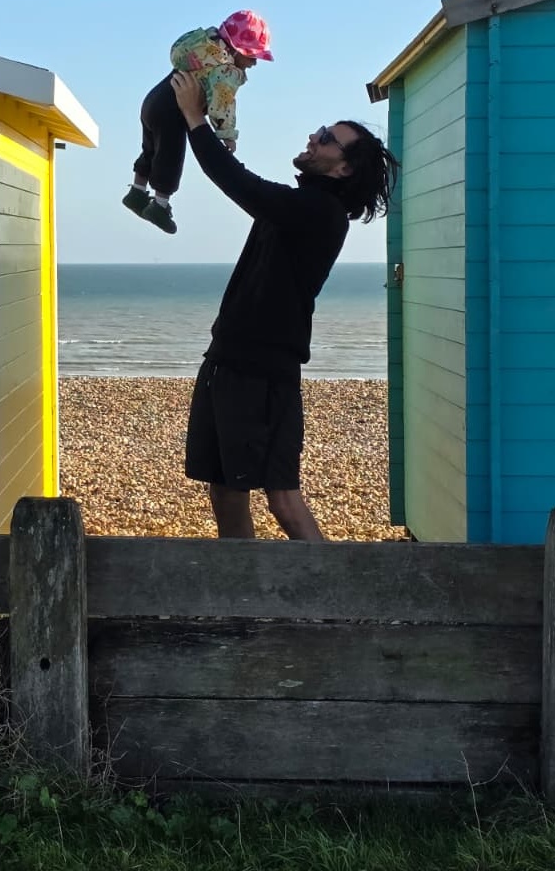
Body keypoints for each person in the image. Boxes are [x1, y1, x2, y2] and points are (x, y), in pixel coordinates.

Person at [168, 67, 400, 540]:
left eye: (327, 139)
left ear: (343, 169)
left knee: (282, 497)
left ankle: (335, 605)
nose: (313, 139)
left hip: (260, 370)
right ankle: (245, 594)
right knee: (226, 489)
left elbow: (243, 187)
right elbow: (251, 189)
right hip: (231, 360)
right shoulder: (302, 203)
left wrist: (196, 122)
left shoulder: (320, 212)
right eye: (319, 132)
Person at [122, 10, 274, 235]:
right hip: (170, 113)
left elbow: (176, 50)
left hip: (152, 101)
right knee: (170, 156)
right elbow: (222, 103)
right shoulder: (225, 69)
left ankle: (137, 192)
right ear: (239, 49)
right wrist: (227, 134)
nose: (253, 63)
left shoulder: (203, 47)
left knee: (151, 150)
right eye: (252, 56)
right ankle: (160, 206)